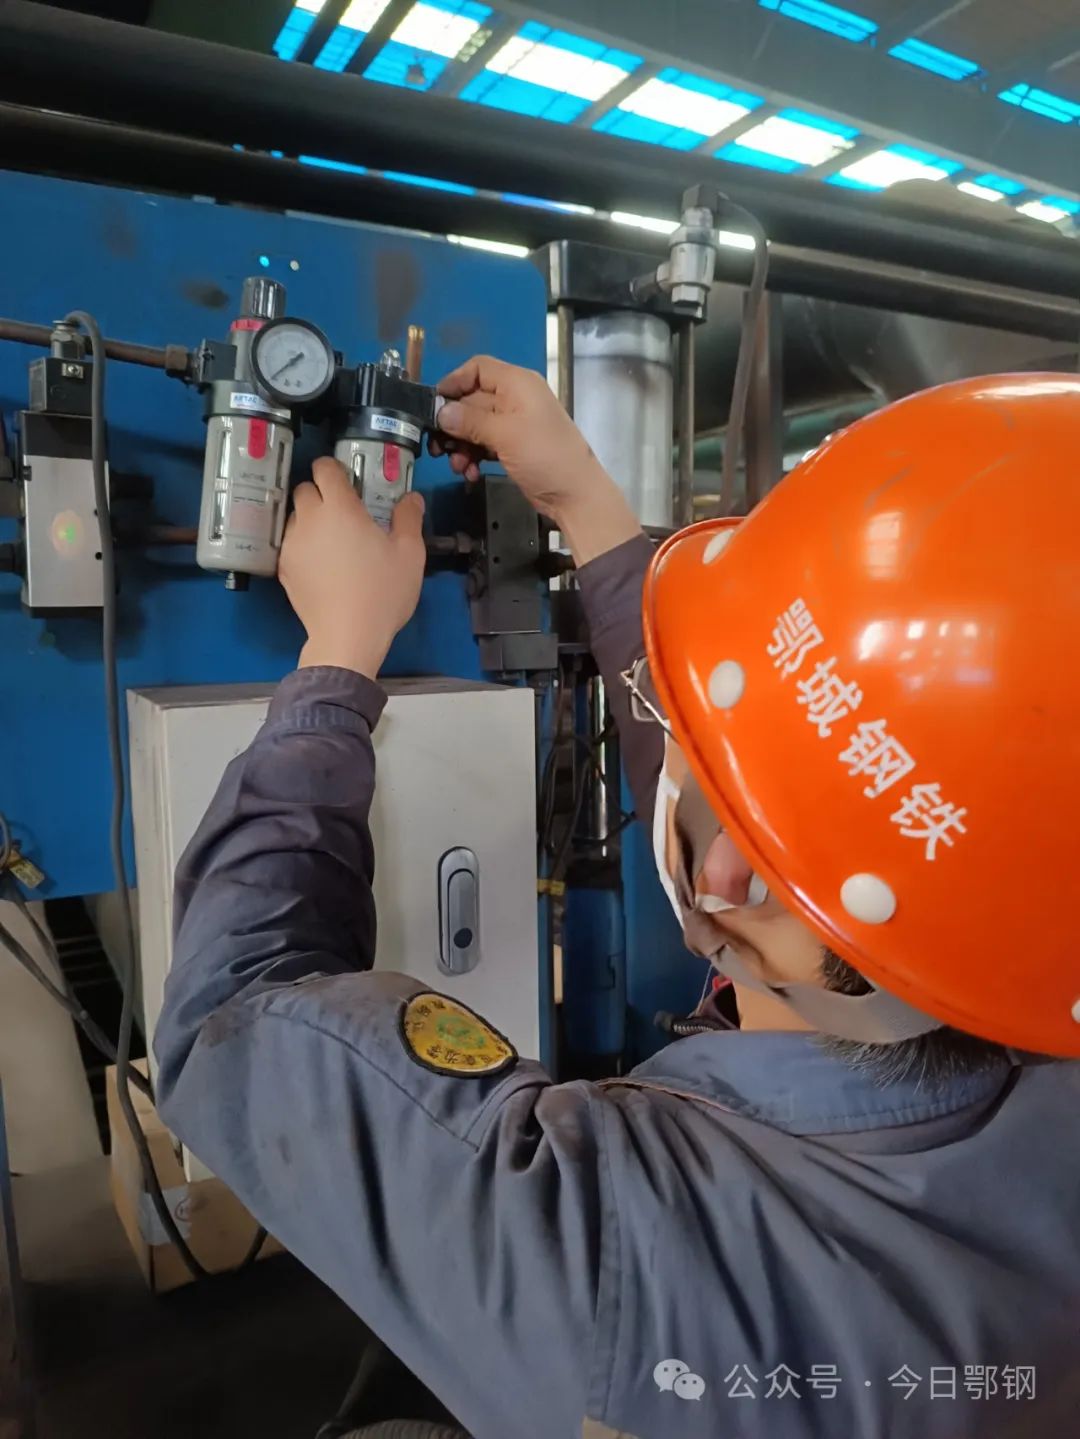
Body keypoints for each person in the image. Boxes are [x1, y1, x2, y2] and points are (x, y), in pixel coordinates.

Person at [155, 358, 1080, 1439]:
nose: (676, 739)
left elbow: (227, 1010)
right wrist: (583, 501)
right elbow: (785, 822)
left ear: (728, 886)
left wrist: (338, 657)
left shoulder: (602, 1238)